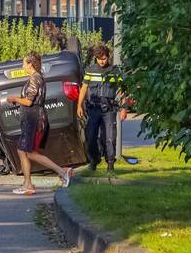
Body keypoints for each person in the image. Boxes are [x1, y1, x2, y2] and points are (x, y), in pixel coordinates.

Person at [8, 51, 72, 196]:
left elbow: (29, 101)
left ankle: (62, 172)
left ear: (30, 64)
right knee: (23, 150)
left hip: (34, 120)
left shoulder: (35, 79)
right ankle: (28, 183)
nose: (22, 65)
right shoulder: (35, 78)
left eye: (24, 63)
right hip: (32, 119)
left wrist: (15, 99)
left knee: (29, 152)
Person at [77, 43, 124, 174]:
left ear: (108, 57)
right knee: (90, 137)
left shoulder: (115, 71)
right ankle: (94, 159)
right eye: (99, 59)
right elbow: (84, 88)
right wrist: (79, 105)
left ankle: (110, 165)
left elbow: (122, 90)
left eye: (104, 58)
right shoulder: (90, 70)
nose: (102, 61)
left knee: (110, 138)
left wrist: (124, 108)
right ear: (96, 58)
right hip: (93, 108)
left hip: (109, 109)